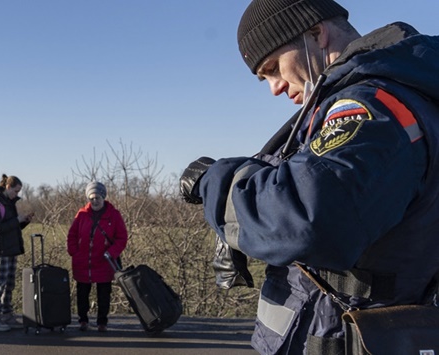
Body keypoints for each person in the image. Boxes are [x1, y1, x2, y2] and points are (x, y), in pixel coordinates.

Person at [179, 0, 439, 353]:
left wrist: (217, 183)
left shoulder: (373, 107)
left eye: (273, 68)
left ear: (316, 34)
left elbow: (306, 216)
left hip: (348, 337)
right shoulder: (381, 94)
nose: (274, 87)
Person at [67, 181, 128, 333]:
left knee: (104, 294)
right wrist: (74, 251)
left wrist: (112, 252)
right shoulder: (81, 214)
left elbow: (122, 238)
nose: (94, 201)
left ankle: (102, 322)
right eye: (91, 198)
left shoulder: (114, 215)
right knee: (82, 293)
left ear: (103, 197)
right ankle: (83, 320)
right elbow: (72, 234)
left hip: (104, 261)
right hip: (83, 262)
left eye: (97, 198)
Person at [0, 174, 34, 332]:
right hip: (0, 250)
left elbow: (11, 228)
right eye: (16, 191)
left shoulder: (9, 204)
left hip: (11, 250)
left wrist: (23, 221)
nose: (17, 194)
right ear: (8, 187)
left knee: (9, 285)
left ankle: (7, 315)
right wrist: (17, 220)